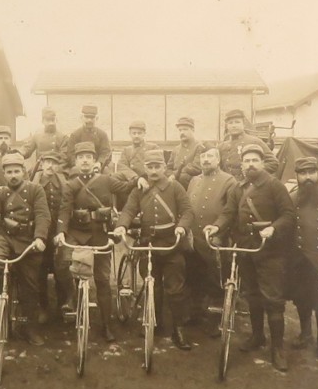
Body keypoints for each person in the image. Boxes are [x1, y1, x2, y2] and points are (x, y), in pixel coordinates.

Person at [205, 143, 295, 371]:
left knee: (273, 300)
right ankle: (257, 336)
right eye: (247, 161)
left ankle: (277, 349)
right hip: (245, 249)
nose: (250, 164)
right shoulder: (238, 188)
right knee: (252, 295)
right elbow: (228, 213)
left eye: (255, 160)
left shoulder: (275, 186)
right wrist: (216, 227)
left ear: (263, 163)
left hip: (270, 251)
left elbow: (288, 215)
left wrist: (273, 228)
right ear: (242, 165)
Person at [114, 148, 194, 350]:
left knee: (175, 288)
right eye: (150, 167)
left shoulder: (175, 188)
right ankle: (154, 322)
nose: (154, 170)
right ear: (145, 169)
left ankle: (179, 329)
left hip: (171, 244)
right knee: (152, 285)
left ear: (164, 167)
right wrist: (122, 225)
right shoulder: (138, 190)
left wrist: (181, 228)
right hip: (148, 242)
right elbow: (129, 210)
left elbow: (187, 211)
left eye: (157, 166)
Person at [55, 141, 133, 342]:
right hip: (77, 233)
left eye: (89, 157)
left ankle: (106, 324)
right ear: (75, 161)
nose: (85, 161)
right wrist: (61, 232)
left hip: (100, 233)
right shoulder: (70, 185)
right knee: (63, 263)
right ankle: (71, 299)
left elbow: (127, 187)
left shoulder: (107, 180)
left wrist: (138, 179)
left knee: (102, 280)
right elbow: (64, 210)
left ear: (94, 160)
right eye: (81, 157)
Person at [0, 152, 51, 346]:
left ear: (24, 172)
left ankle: (29, 328)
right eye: (9, 172)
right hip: (4, 237)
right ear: (4, 174)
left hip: (28, 240)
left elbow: (43, 215)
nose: (13, 175)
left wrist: (40, 238)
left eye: (17, 171)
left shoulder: (36, 190)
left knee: (30, 287)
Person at [285, 156, 318, 360]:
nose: (307, 178)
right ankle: (305, 333)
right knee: (301, 298)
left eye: (311, 173)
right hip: (299, 259)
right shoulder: (290, 198)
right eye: (302, 173)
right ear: (296, 176)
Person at [185, 147, 236, 333]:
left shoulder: (229, 181)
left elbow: (230, 211)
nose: (206, 160)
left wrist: (218, 230)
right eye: (203, 156)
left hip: (214, 237)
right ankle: (195, 313)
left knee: (216, 279)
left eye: (210, 156)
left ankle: (216, 319)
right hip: (193, 238)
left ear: (218, 159)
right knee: (192, 277)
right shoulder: (194, 180)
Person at [32, 150, 71, 322]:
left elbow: (67, 206)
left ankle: (64, 305)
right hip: (39, 231)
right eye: (47, 162)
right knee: (39, 268)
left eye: (54, 163)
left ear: (58, 166)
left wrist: (62, 230)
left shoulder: (63, 182)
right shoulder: (34, 181)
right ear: (41, 164)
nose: (50, 166)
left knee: (61, 268)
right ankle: (42, 306)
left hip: (57, 230)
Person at [218, 109, 278, 180]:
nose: (234, 125)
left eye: (237, 122)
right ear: (227, 126)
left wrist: (254, 171)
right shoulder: (222, 146)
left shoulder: (255, 141)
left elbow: (273, 163)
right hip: (228, 186)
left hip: (249, 185)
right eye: (230, 123)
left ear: (244, 124)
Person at [65, 104, 112, 173]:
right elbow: (70, 154)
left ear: (96, 118)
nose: (89, 120)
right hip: (79, 166)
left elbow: (106, 152)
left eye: (92, 118)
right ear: (81, 117)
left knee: (106, 173)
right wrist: (79, 164)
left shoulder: (102, 135)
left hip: (97, 167)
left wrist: (99, 163)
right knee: (73, 172)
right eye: (86, 117)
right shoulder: (75, 135)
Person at [21, 107, 68, 174]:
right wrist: (17, 153)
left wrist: (57, 168)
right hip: (40, 168)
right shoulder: (37, 135)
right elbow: (27, 149)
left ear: (56, 120)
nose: (51, 123)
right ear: (42, 121)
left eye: (53, 120)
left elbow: (64, 157)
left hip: (57, 168)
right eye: (48, 120)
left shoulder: (63, 137)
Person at [169, 116, 207, 189]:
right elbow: (168, 168)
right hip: (175, 185)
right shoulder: (176, 149)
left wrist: (175, 174)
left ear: (193, 130)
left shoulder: (199, 147)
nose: (182, 132)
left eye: (185, 129)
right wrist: (170, 175)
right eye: (180, 130)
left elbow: (196, 168)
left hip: (192, 185)